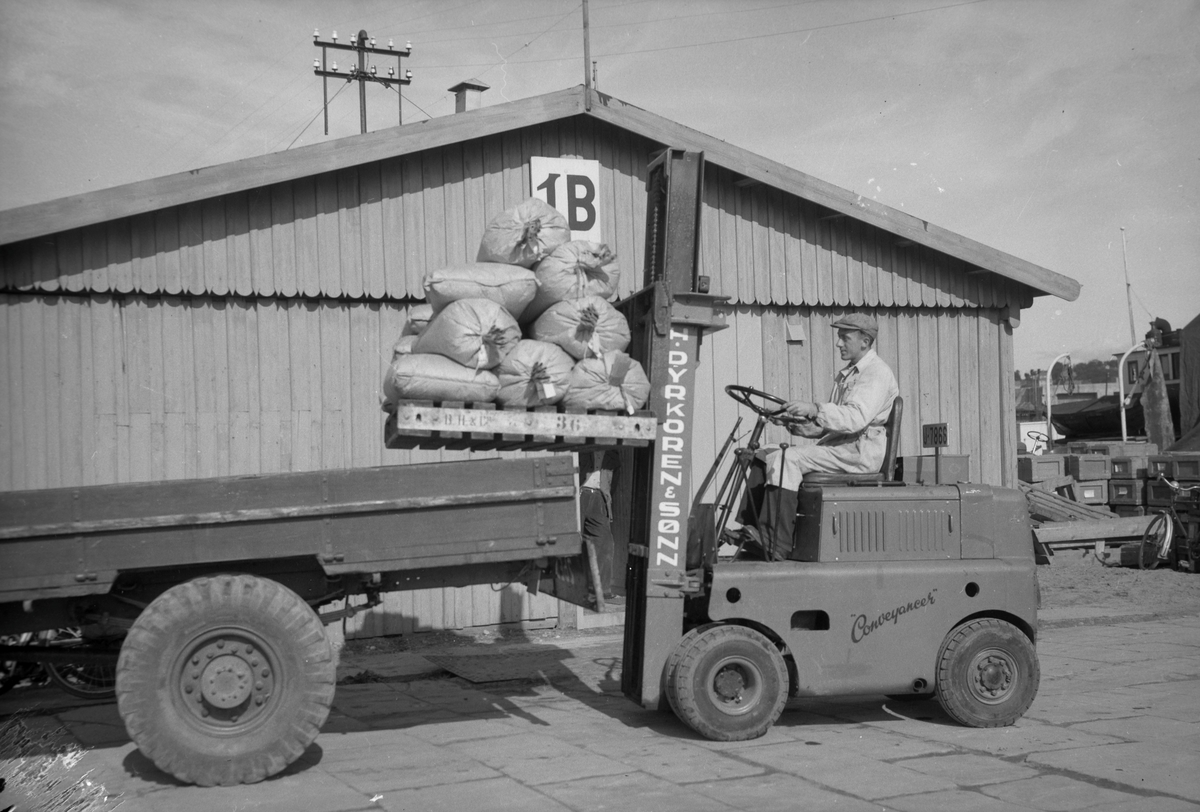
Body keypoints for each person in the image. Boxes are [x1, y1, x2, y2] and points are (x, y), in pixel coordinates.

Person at [735, 313, 899, 559]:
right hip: (843, 446)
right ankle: (754, 530)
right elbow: (835, 424)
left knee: (788, 459)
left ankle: (775, 542)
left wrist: (814, 408)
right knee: (766, 453)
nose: (838, 344)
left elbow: (855, 418)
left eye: (844, 338)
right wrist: (798, 424)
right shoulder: (848, 374)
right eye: (839, 338)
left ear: (865, 342)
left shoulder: (876, 373)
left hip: (859, 454)